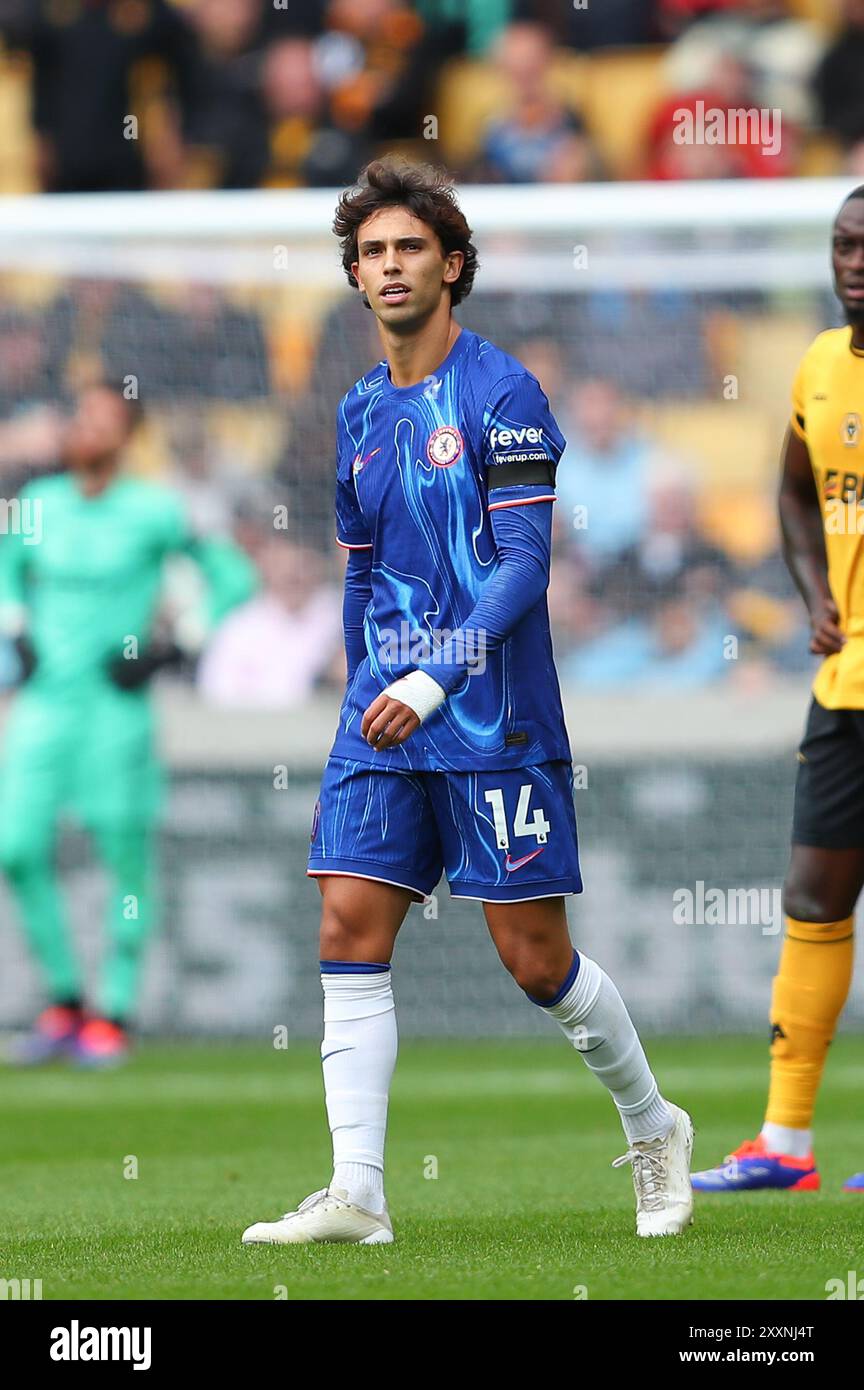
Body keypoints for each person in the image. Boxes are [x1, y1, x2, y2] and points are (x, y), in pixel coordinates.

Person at [241, 157, 694, 1245]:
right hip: (382, 715)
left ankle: (655, 1122)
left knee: (535, 960)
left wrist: (431, 672)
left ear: (453, 264)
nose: (390, 266)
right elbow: (358, 566)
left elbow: (522, 567)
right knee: (348, 920)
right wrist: (364, 681)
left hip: (492, 714)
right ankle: (358, 1191)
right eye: (372, 252)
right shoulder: (356, 410)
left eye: (409, 247)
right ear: (354, 277)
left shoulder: (503, 391)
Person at [0, 380, 257, 1066]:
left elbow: (232, 576)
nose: (85, 429)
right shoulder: (35, 505)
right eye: (80, 416)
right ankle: (63, 1000)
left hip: (116, 711)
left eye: (102, 420)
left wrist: (178, 643)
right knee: (16, 847)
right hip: (44, 705)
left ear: (126, 436)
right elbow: (5, 567)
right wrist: (14, 625)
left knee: (123, 855)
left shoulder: (155, 510)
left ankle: (113, 1010)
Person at [692, 188, 864, 1194]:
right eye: (843, 245)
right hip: (845, 682)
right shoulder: (816, 365)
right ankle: (785, 1144)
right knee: (812, 894)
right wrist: (814, 595)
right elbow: (796, 494)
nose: (853, 261)